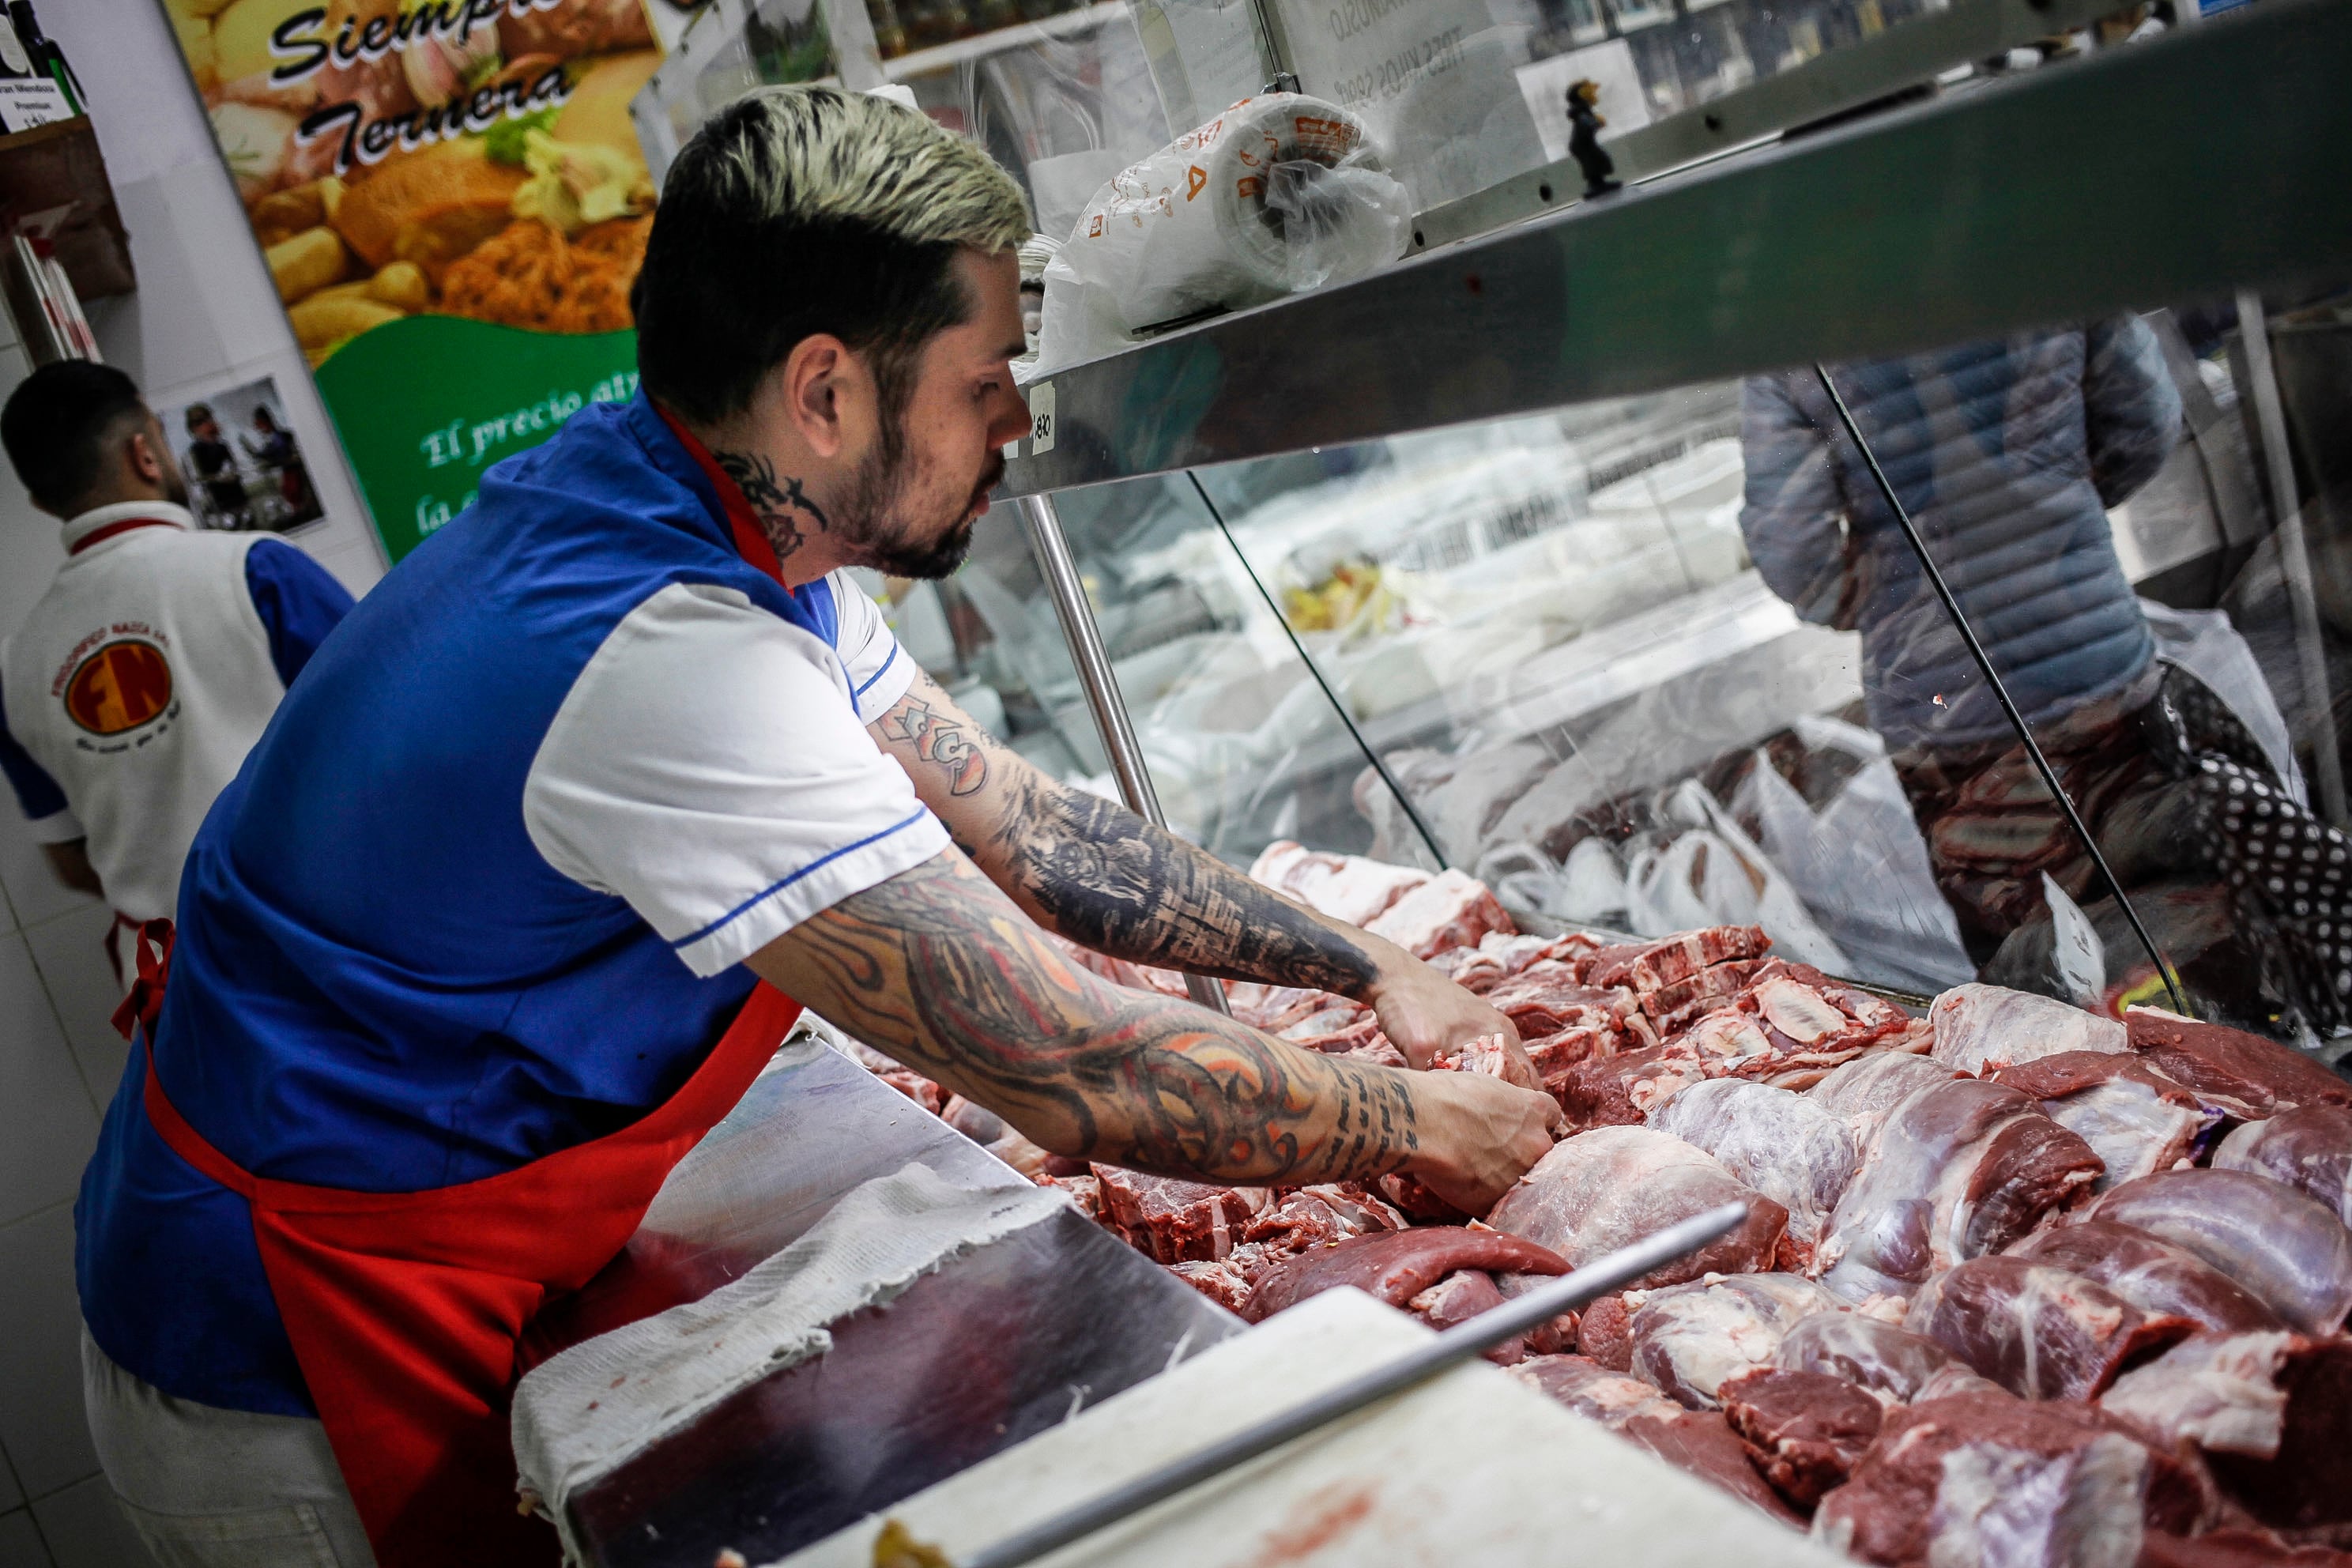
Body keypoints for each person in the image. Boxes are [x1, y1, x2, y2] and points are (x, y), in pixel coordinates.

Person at [74, 87, 1560, 1568]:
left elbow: (1031, 828)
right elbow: (1065, 1063)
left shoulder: (710, 516)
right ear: (828, 395)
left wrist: (1376, 967)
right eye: (984, 380)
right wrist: (1423, 1122)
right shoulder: (665, 652)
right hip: (280, 1339)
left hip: (423, 1209)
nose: (1019, 418)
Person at [1740, 319, 2352, 1026]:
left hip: (1949, 732)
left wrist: (1896, 605)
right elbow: (2146, 424)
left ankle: (2106, 1116)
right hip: (2102, 675)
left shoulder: (1787, 323)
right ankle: (2254, 1089)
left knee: (2040, 973)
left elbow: (1797, 558)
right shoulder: (2038, 253)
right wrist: (2056, 515)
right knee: (2192, 917)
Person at [0, 361, 356, 984]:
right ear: (145, 452)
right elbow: (394, 745)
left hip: (176, 1002)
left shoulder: (13, 667)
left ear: (39, 500)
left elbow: (71, 860)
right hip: (325, 955)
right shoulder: (258, 570)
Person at [181, 405, 252, 530]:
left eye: (209, 420)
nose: (210, 424)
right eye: (202, 422)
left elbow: (233, 467)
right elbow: (198, 479)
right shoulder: (195, 451)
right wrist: (219, 478)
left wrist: (233, 474)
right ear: (194, 429)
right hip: (220, 504)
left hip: (239, 499)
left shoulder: (222, 446)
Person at [243, 405, 315, 522]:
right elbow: (266, 453)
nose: (259, 429)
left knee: (295, 496)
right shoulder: (275, 439)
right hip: (289, 473)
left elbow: (274, 452)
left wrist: (261, 456)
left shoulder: (280, 438)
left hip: (294, 473)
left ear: (265, 422)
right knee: (290, 495)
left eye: (259, 424)